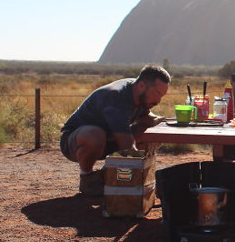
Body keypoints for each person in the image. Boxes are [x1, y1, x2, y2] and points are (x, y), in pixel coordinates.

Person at [60, 64, 171, 196]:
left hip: (109, 140)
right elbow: (127, 145)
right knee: (95, 135)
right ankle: (87, 179)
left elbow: (147, 117)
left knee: (148, 132)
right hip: (74, 142)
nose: (158, 100)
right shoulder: (116, 96)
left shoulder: (139, 92)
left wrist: (162, 124)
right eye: (156, 93)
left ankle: (107, 175)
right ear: (142, 85)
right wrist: (141, 176)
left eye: (161, 96)